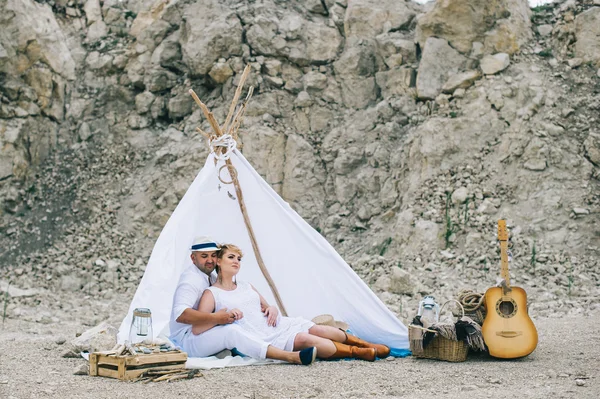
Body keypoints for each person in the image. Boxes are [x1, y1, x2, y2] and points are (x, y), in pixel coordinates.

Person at [194, 243, 390, 361]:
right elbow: (198, 328)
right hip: (258, 335)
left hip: (274, 325)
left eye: (239, 258)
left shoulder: (246, 285)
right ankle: (355, 352)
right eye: (231, 257)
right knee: (305, 340)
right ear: (218, 261)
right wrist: (224, 317)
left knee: (319, 329)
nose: (237, 261)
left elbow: (266, 306)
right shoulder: (212, 294)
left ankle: (365, 343)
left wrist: (272, 308)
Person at [170, 236, 317, 365]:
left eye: (213, 255)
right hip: (187, 339)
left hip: (205, 330)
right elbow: (181, 315)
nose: (210, 260)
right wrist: (216, 318)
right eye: (204, 256)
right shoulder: (190, 281)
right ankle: (290, 357)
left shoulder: (211, 276)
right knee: (231, 331)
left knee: (238, 328)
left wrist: (269, 307)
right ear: (193, 258)